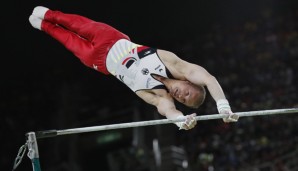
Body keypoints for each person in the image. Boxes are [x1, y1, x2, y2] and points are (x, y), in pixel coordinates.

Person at [28, 6, 239, 130]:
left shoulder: (161, 96)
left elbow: (167, 111)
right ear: (188, 81)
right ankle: (48, 15)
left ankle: (44, 26)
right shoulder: (176, 65)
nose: (180, 96)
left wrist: (179, 120)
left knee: (65, 38)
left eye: (183, 100)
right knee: (74, 23)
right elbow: (210, 78)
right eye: (187, 93)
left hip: (100, 63)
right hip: (112, 38)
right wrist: (223, 106)